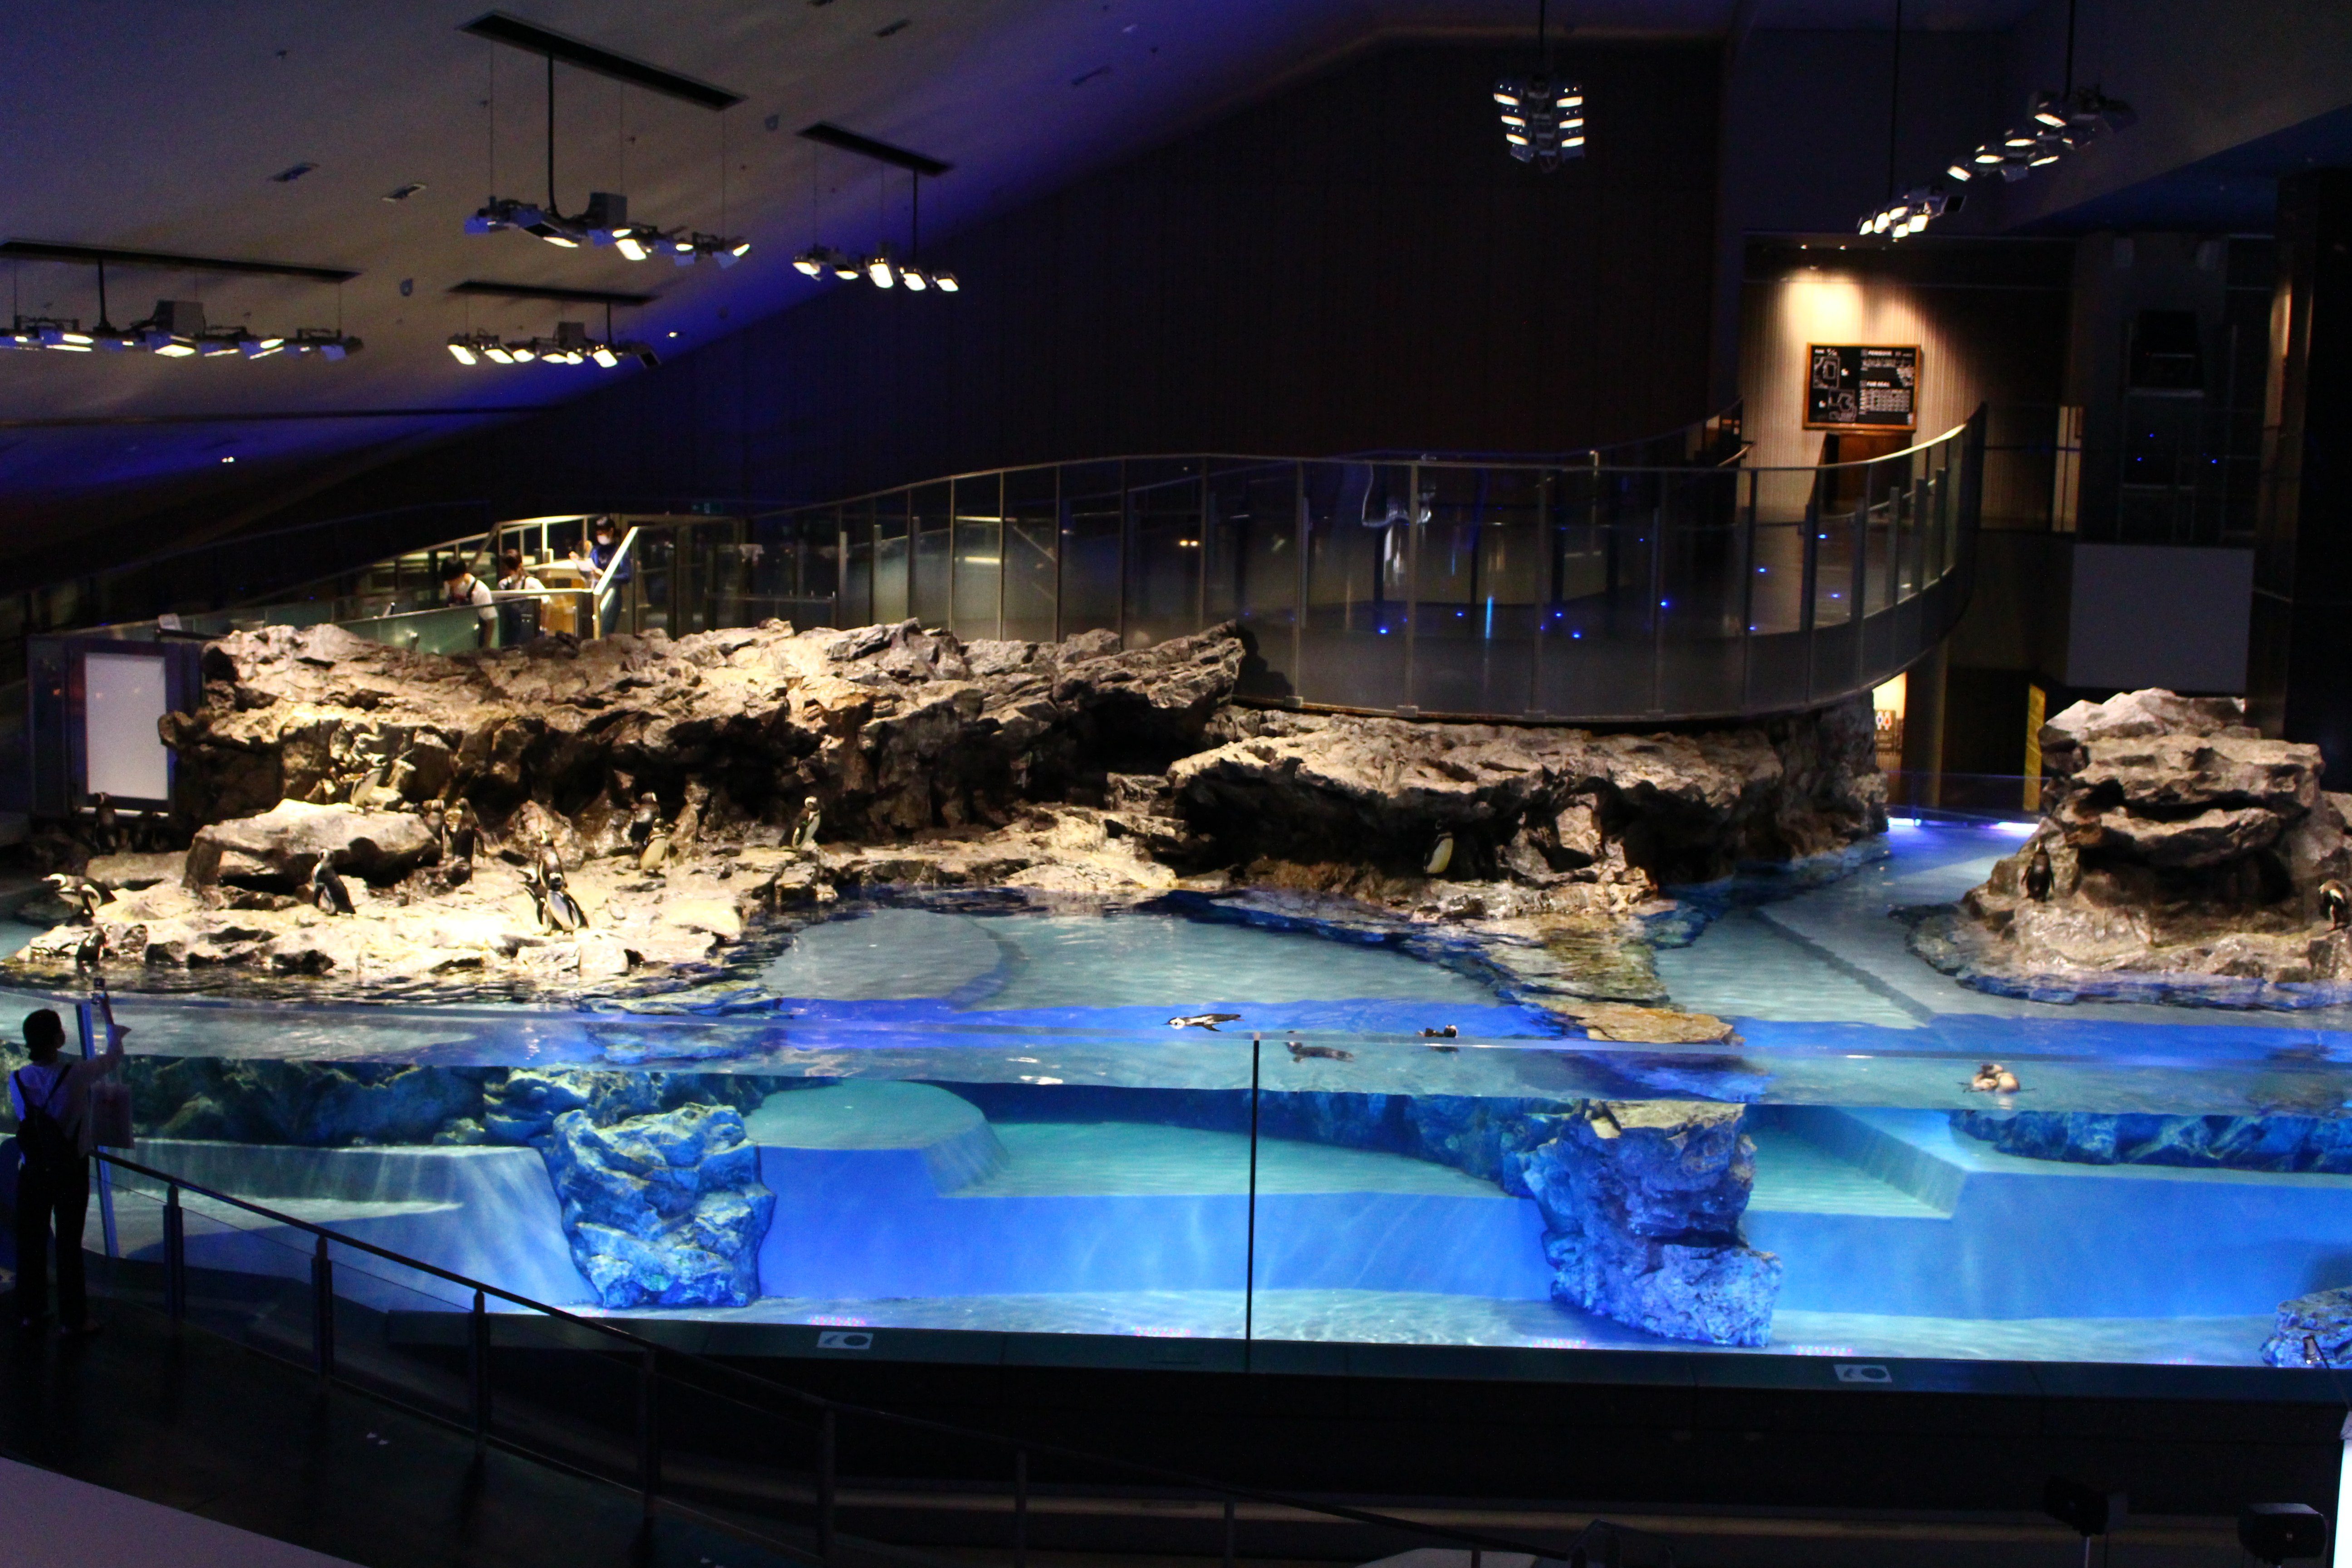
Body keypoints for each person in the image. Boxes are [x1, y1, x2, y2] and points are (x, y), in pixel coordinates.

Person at [10, 1005, 126, 1335]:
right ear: (58, 1039)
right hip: (69, 1171)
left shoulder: (17, 1078)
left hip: (32, 1170)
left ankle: (30, 1311)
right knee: (69, 1245)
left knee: (31, 1242)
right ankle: (73, 1320)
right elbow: (113, 1057)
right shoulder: (75, 1074)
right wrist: (107, 1014)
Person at [441, 557, 497, 650]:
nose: (449, 583)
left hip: (476, 639)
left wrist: (486, 648)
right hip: (454, 637)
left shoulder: (480, 591)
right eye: (447, 580)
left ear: (462, 575)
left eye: (452, 580)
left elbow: (491, 621)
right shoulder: (448, 585)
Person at [496, 549, 549, 646]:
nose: (507, 572)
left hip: (528, 632)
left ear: (519, 566)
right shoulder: (503, 585)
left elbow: (547, 602)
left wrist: (542, 627)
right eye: (505, 569)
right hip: (509, 633)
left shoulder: (532, 583)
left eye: (510, 569)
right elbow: (498, 608)